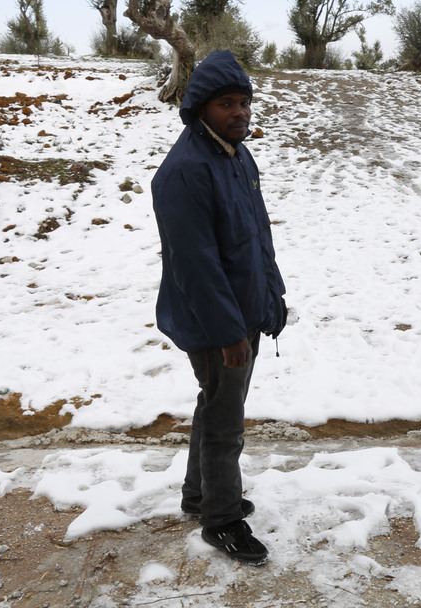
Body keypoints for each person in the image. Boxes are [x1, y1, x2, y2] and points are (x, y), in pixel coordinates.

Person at [151, 49, 287, 566]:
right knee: (226, 419)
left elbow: (256, 235)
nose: (240, 112)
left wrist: (271, 296)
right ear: (201, 107)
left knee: (215, 405)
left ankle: (200, 494)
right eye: (227, 103)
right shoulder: (185, 171)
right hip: (212, 321)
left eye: (244, 101)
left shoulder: (235, 154)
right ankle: (223, 519)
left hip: (244, 310)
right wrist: (230, 333)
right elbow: (196, 267)